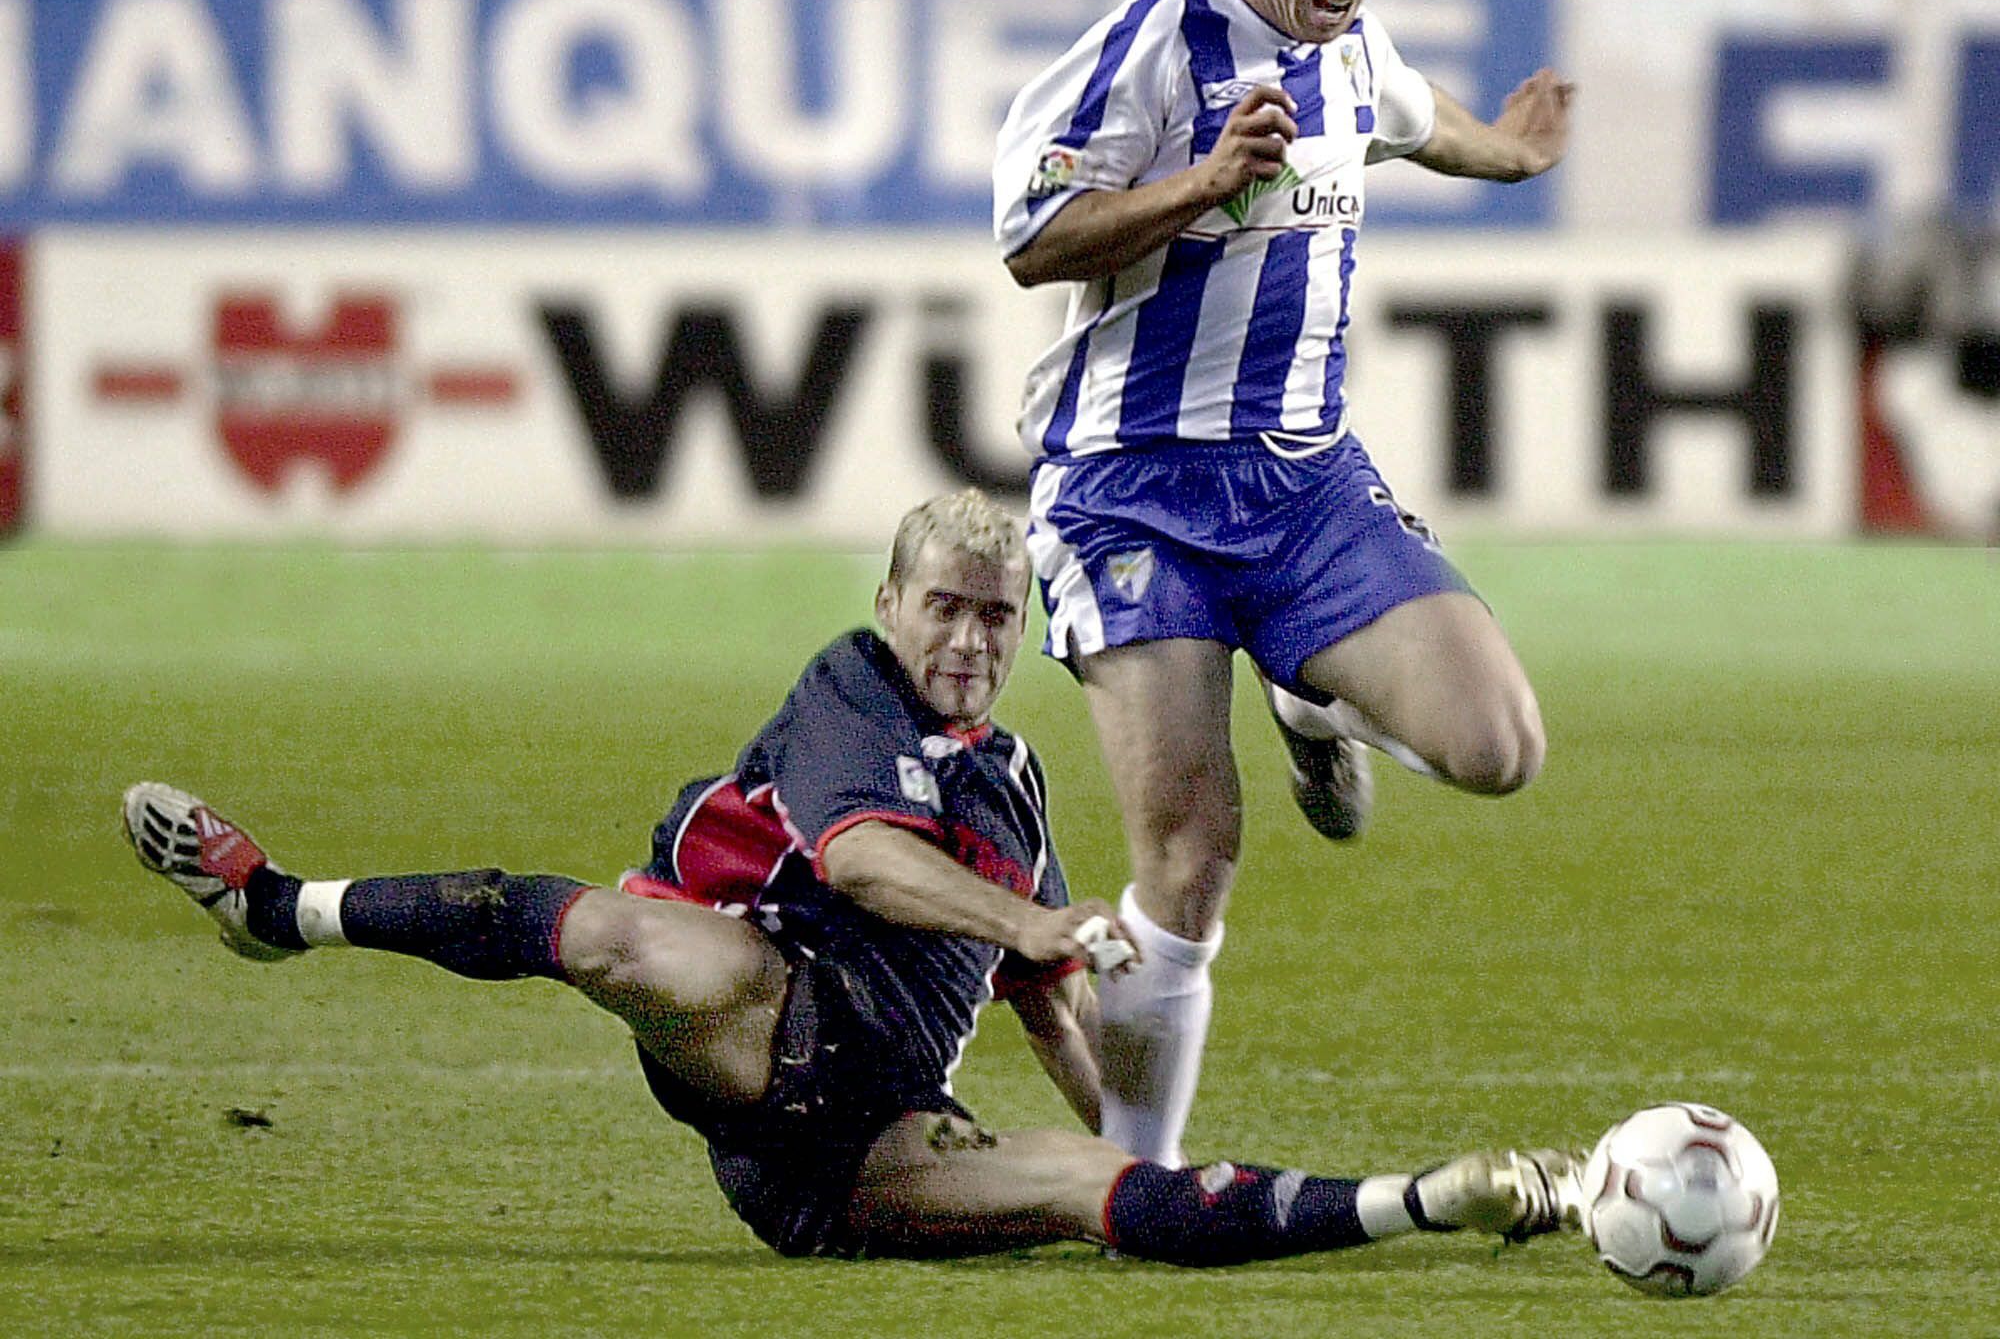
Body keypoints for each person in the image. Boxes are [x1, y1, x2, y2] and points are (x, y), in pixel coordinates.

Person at [124, 487, 1584, 1263]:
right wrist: (1032, 918)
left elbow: (1043, 999)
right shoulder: (853, 692)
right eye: (943, 606)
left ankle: (1433, 1199)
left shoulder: (1012, 786)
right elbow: (864, 863)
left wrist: (1126, 1122)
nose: (966, 639)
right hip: (763, 1020)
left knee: (1096, 1200)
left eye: (996, 618)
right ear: (890, 605)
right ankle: (280, 911)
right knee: (646, 951)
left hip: (860, 1156)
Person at [992, 0, 1573, 1168]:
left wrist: (1519, 153)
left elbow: (1429, 129)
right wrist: (1202, 183)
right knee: (1189, 854)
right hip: (1129, 488)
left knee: (1501, 750)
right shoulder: (1151, 42)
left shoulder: (1353, 52)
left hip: (1306, 482)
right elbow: (1033, 241)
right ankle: (1145, 1178)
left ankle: (1312, 696)